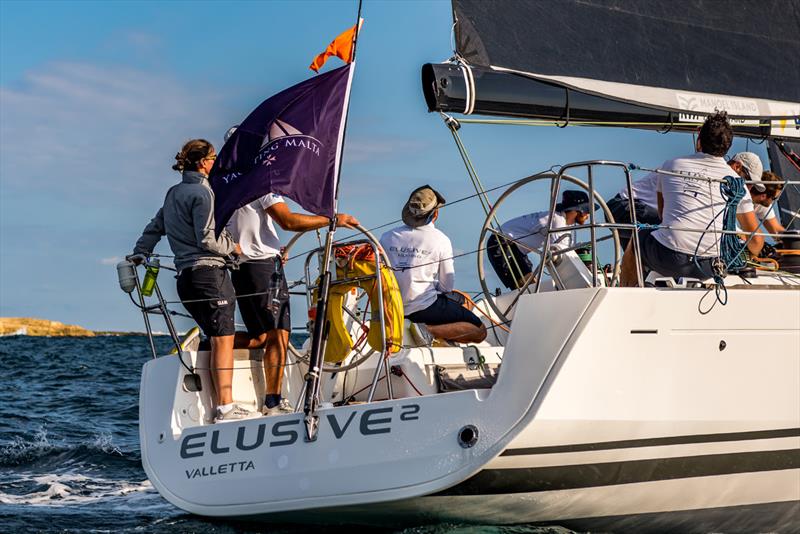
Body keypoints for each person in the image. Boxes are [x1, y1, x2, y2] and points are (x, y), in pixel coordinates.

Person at [132, 139, 255, 423]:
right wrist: (234, 247)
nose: (216, 163)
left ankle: (216, 406)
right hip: (209, 275)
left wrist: (140, 252)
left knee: (215, 338)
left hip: (185, 280)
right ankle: (225, 408)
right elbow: (207, 239)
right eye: (213, 158)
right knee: (223, 341)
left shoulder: (173, 193)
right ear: (203, 162)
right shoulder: (203, 192)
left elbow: (155, 227)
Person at [227, 187, 359, 416]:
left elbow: (244, 227)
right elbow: (288, 221)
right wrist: (333, 220)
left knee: (260, 337)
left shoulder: (232, 187)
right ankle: (273, 402)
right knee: (279, 333)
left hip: (241, 268)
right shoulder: (261, 187)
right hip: (262, 268)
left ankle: (210, 344)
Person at [620, 112, 764, 286]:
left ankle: (628, 291)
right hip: (711, 266)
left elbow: (663, 215)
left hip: (668, 258)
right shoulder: (737, 183)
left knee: (638, 238)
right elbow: (756, 243)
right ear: (728, 147)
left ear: (699, 141)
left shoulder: (671, 165)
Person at [380, 186, 486, 344]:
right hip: (422, 309)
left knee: (461, 299)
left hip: (391, 306)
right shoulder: (440, 239)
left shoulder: (386, 237)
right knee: (479, 329)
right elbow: (446, 287)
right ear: (435, 213)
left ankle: (431, 337)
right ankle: (428, 331)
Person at [487, 190, 595, 290]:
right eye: (586, 211)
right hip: (501, 244)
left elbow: (563, 250)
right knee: (525, 288)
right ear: (577, 211)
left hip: (515, 249)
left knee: (531, 287)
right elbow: (560, 253)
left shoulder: (560, 221)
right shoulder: (557, 222)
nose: (588, 215)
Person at [606, 174, 661, 251]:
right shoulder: (676, 171)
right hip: (624, 208)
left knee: (637, 261)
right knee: (671, 223)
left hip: (625, 210)